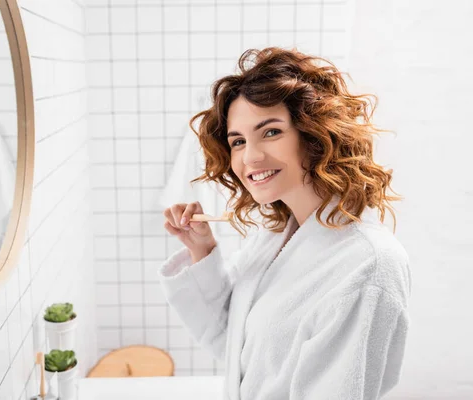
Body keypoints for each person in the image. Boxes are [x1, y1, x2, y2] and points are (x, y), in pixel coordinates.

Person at [159, 47, 412, 400]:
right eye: (238, 141)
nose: (250, 156)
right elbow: (236, 345)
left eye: (271, 132)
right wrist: (200, 248)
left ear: (314, 134)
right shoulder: (278, 234)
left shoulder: (367, 264)